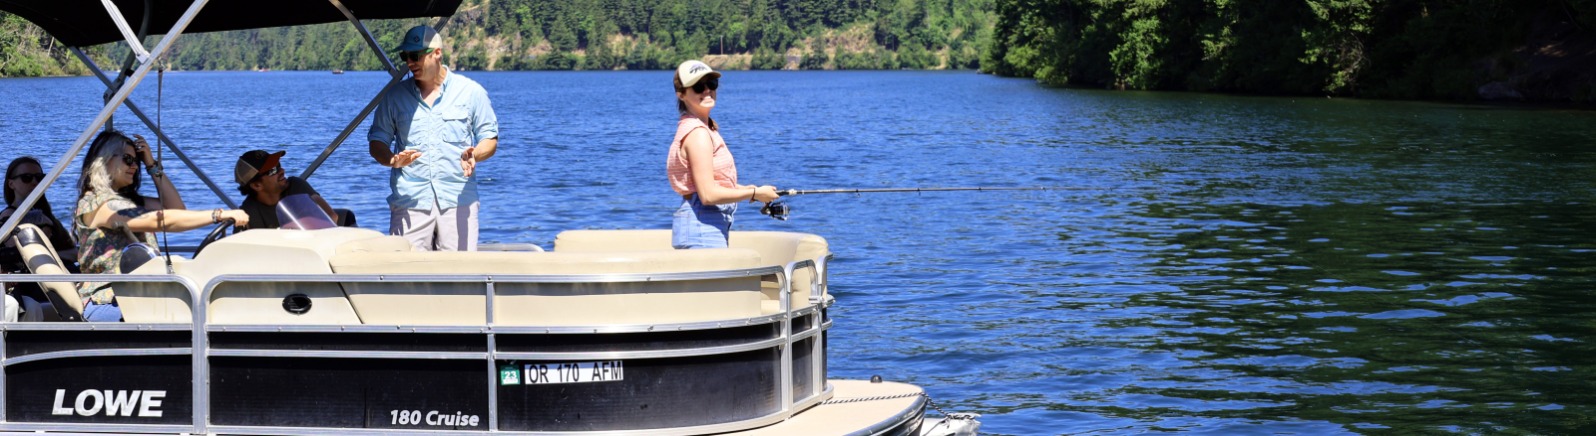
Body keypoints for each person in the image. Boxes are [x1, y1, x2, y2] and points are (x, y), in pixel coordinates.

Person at [74, 130, 250, 321]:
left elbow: (176, 209)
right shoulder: (98, 204)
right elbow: (158, 219)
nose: (134, 166)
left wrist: (152, 166)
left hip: (138, 297)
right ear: (105, 159)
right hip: (108, 302)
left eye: (136, 162)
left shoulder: (128, 202)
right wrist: (218, 214)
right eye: (127, 159)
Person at [367, 25, 498, 251]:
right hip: (410, 204)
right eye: (405, 56)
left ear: (437, 53)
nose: (409, 62)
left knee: (461, 277)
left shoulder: (471, 92)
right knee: (406, 277)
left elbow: (490, 139)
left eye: (415, 55)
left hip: (458, 201)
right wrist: (391, 160)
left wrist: (474, 154)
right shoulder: (394, 98)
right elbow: (377, 141)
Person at [666, 60, 779, 249]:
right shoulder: (698, 134)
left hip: (704, 224)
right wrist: (754, 193)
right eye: (698, 86)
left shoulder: (700, 128)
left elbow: (707, 183)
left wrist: (745, 190)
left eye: (711, 84)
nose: (707, 90)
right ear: (681, 94)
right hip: (702, 227)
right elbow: (708, 195)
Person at [2, 156, 81, 309]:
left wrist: (53, 257)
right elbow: (19, 253)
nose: (34, 182)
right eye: (27, 178)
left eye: (40, 178)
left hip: (60, 278)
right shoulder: (7, 219)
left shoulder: (46, 216)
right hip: (32, 285)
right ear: (11, 184)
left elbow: (74, 252)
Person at [234, 149, 348, 230]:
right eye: (273, 171)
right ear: (256, 185)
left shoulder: (295, 185)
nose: (282, 170)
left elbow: (331, 216)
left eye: (278, 165)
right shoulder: (247, 213)